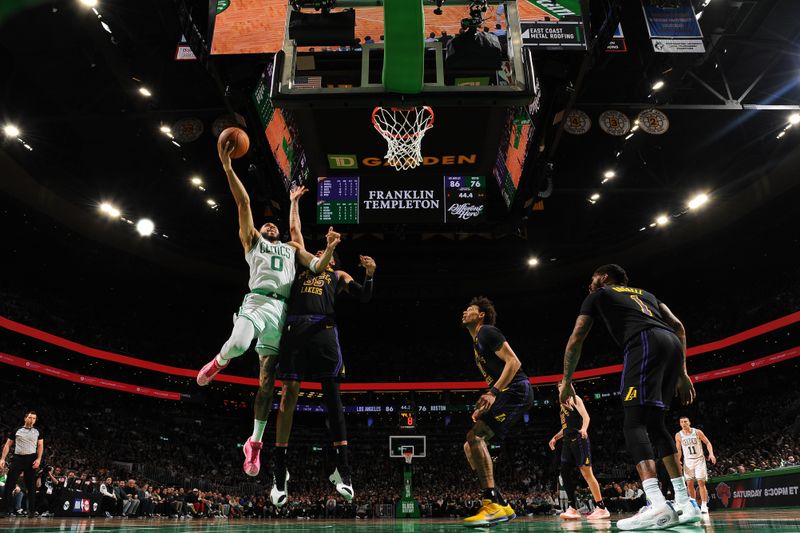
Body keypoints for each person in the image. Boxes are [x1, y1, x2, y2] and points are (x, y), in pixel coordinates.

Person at [196, 141, 341, 479]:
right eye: (267, 225)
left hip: (282, 312)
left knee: (267, 382)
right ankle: (219, 362)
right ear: (260, 231)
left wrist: (331, 246)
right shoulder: (252, 241)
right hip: (257, 301)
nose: (270, 226)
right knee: (237, 345)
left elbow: (318, 266)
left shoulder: (291, 248)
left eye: (274, 225)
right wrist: (228, 167)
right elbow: (244, 201)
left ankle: (255, 444)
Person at [559, 264, 701, 530]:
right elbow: (679, 326)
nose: (590, 283)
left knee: (633, 423)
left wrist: (566, 381)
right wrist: (682, 373)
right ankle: (684, 502)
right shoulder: (646, 294)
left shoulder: (599, 294)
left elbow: (576, 337)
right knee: (656, 424)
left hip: (644, 342)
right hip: (671, 345)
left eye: (592, 278)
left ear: (603, 278)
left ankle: (657, 504)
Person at [269, 185, 376, 507]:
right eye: (317, 252)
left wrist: (369, 275)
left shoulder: (338, 274)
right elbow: (295, 230)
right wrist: (293, 201)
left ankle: (342, 471)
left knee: (333, 400)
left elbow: (364, 297)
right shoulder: (303, 265)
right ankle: (279, 473)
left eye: (323, 253)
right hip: (294, 331)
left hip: (324, 332)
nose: (317, 254)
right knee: (288, 397)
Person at [461, 297, 532, 527]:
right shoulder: (476, 342)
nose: (465, 312)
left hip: (517, 390)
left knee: (476, 436)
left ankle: (491, 503)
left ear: (481, 315)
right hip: (507, 393)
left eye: (470, 309)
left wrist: (493, 392)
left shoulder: (487, 332)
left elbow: (513, 362)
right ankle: (501, 503)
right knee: (469, 446)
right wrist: (486, 402)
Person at [548, 384, 610, 521]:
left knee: (586, 473)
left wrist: (584, 429)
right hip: (566, 442)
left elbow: (586, 417)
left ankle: (601, 507)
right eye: (558, 388)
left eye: (562, 387)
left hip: (578, 439)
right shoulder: (562, 407)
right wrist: (555, 437)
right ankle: (573, 508)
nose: (560, 390)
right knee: (564, 472)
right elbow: (565, 428)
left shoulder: (575, 399)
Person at [0, 411, 43, 518]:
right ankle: (4, 510)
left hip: (31, 459)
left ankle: (31, 511)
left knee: (31, 486)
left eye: (34, 418)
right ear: (25, 418)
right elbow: (7, 445)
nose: (32, 420)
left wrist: (38, 459)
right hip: (18, 458)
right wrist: (2, 458)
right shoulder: (17, 430)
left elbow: (40, 446)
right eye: (30, 417)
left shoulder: (38, 431)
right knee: (10, 484)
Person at [675, 416, 716, 513]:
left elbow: (708, 443)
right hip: (688, 461)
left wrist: (711, 454)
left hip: (699, 460)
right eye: (681, 422)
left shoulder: (697, 432)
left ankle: (704, 505)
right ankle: (694, 506)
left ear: (689, 422)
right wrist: (678, 460)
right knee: (689, 484)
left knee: (701, 483)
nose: (683, 423)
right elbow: (679, 449)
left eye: (685, 421)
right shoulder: (678, 435)